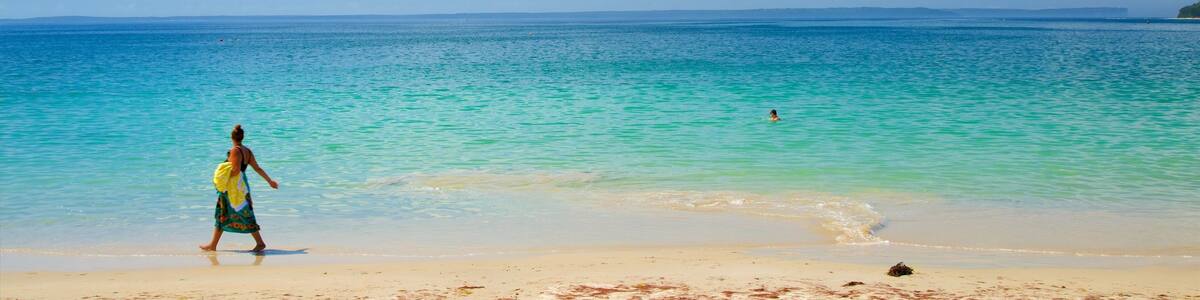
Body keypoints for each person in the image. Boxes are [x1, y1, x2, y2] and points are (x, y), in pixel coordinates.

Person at [200, 124, 279, 253]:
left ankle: (260, 243)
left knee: (234, 212)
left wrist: (221, 177)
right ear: (242, 137)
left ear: (232, 137)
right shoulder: (248, 151)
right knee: (227, 213)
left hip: (233, 187)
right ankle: (213, 245)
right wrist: (269, 181)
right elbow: (257, 168)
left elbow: (235, 171)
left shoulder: (235, 151)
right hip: (242, 185)